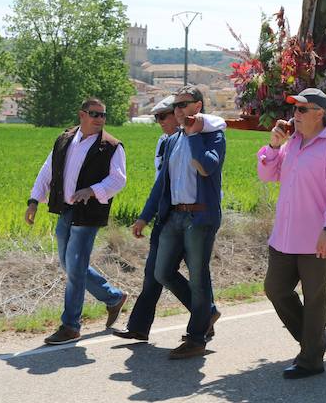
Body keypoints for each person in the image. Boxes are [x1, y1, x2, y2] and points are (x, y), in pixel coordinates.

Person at [114, 96, 226, 342]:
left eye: (164, 115)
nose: (163, 120)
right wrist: (145, 216)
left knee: (196, 277)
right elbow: (161, 184)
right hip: (170, 216)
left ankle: (198, 327)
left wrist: (196, 134)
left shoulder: (209, 134)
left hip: (197, 218)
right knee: (157, 272)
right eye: (160, 116)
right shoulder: (168, 142)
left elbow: (208, 166)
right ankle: (144, 326)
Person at [257, 88, 326, 378]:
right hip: (283, 237)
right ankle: (313, 342)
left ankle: (311, 359)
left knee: (314, 298)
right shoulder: (291, 144)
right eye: (294, 110)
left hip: (316, 237)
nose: (295, 115)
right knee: (275, 289)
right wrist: (273, 147)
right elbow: (267, 175)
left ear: (319, 113)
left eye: (301, 110)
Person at [25, 98, 128, 345]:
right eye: (95, 114)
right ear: (82, 114)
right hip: (65, 209)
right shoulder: (64, 139)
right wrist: (34, 200)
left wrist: (91, 190)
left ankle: (71, 325)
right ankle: (113, 297)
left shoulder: (111, 146)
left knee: (75, 267)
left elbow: (119, 180)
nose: (100, 119)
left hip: (88, 213)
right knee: (68, 263)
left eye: (103, 115)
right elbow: (48, 169)